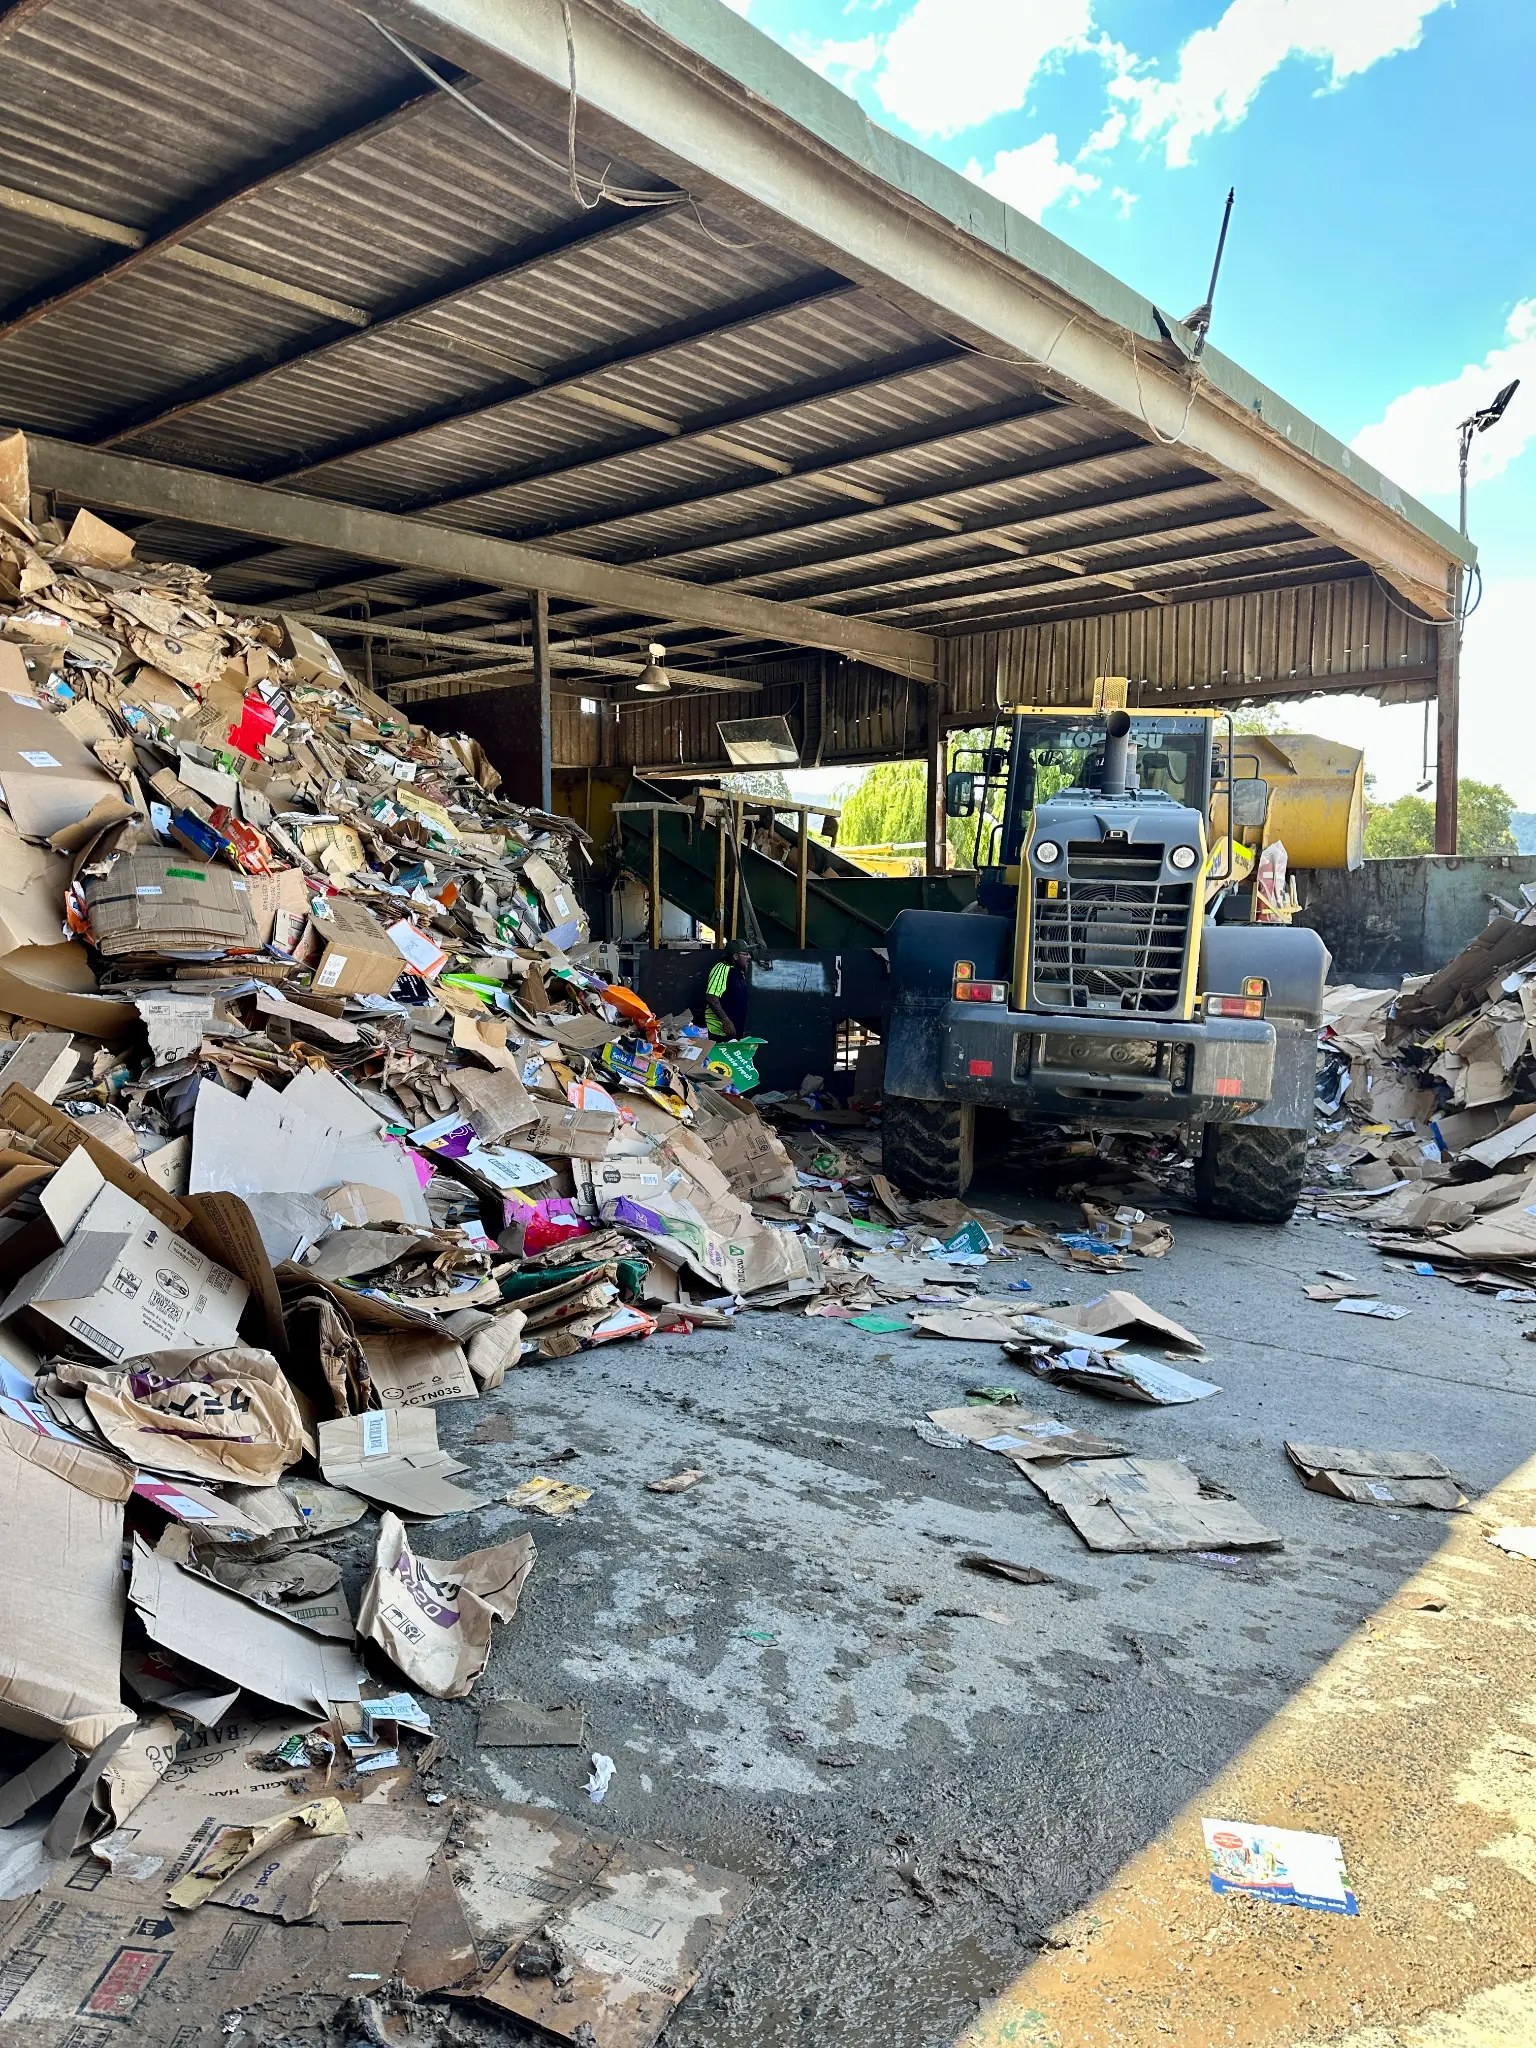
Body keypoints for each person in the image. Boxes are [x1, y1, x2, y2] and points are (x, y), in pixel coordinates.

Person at [704, 943, 752, 1040]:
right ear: (735, 956)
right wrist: (725, 1020)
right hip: (719, 1031)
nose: (749, 957)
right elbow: (711, 997)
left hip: (733, 1032)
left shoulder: (738, 973)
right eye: (746, 954)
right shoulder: (722, 968)